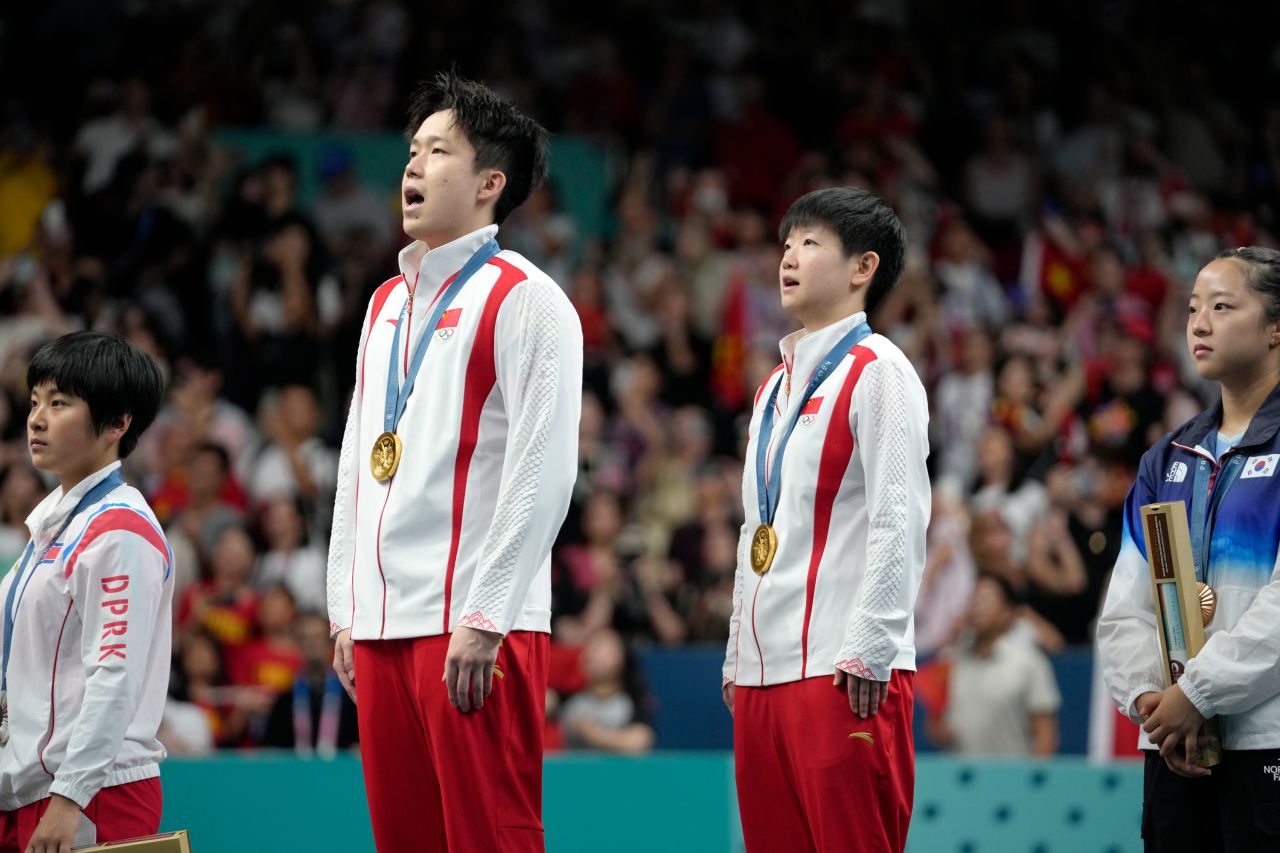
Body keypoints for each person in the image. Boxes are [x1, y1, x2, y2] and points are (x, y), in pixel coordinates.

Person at [326, 71, 582, 853]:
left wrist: (486, 612)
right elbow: (353, 467)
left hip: (473, 629)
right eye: (411, 150)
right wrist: (346, 606)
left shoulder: (527, 299)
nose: (412, 166)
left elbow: (546, 469)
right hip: (382, 628)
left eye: (438, 152)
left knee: (489, 839)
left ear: (488, 184)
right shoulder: (384, 303)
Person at [721, 187, 930, 853]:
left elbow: (901, 516)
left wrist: (870, 646)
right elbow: (757, 523)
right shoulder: (771, 388)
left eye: (810, 242)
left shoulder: (880, 371)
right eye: (786, 243)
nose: (789, 255)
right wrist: (737, 651)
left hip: (843, 672)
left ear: (861, 268)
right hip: (764, 675)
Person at [1097, 246, 1280, 852]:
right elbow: (1127, 604)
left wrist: (1195, 694)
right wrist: (1152, 701)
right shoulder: (1167, 458)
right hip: (1173, 747)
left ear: (1276, 326)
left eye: (1223, 307)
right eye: (1194, 308)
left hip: (1266, 743)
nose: (1198, 323)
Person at [0, 331, 170, 852]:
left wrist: (71, 797)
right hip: (30, 788)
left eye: (60, 403)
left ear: (117, 423)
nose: (37, 417)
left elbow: (112, 675)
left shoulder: (118, 529)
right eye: (34, 402)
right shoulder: (56, 527)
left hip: (93, 795)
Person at [929, 573, 1061, 756]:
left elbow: (1045, 733)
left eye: (985, 599)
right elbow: (934, 725)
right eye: (972, 598)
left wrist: (1033, 781)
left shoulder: (1030, 663)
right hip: (960, 780)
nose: (976, 606)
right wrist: (938, 730)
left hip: (1012, 780)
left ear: (1008, 613)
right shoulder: (950, 662)